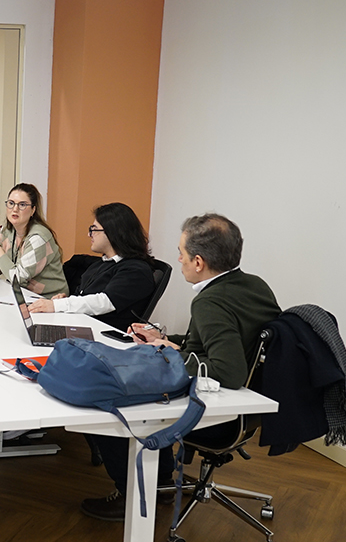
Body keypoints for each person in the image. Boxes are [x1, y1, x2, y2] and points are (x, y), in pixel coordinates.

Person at [81, 213, 281, 521]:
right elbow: (212, 344)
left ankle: (131, 494)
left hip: (220, 409)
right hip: (250, 405)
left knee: (112, 406)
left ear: (198, 262)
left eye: (182, 253)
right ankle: (160, 481)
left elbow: (228, 371)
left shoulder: (210, 301)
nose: (178, 259)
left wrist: (166, 353)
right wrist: (163, 339)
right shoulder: (253, 285)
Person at [28, 202, 155, 331]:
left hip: (102, 335)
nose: (89, 234)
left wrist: (58, 305)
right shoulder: (102, 263)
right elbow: (87, 298)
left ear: (112, 232)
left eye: (94, 229)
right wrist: (68, 300)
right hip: (83, 326)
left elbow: (104, 302)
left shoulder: (136, 270)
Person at [0, 183, 69, 298]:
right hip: (21, 296)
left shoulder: (39, 238)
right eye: (11, 203)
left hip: (47, 300)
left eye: (22, 205)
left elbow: (17, 278)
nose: (15, 209)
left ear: (33, 210)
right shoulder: (7, 232)